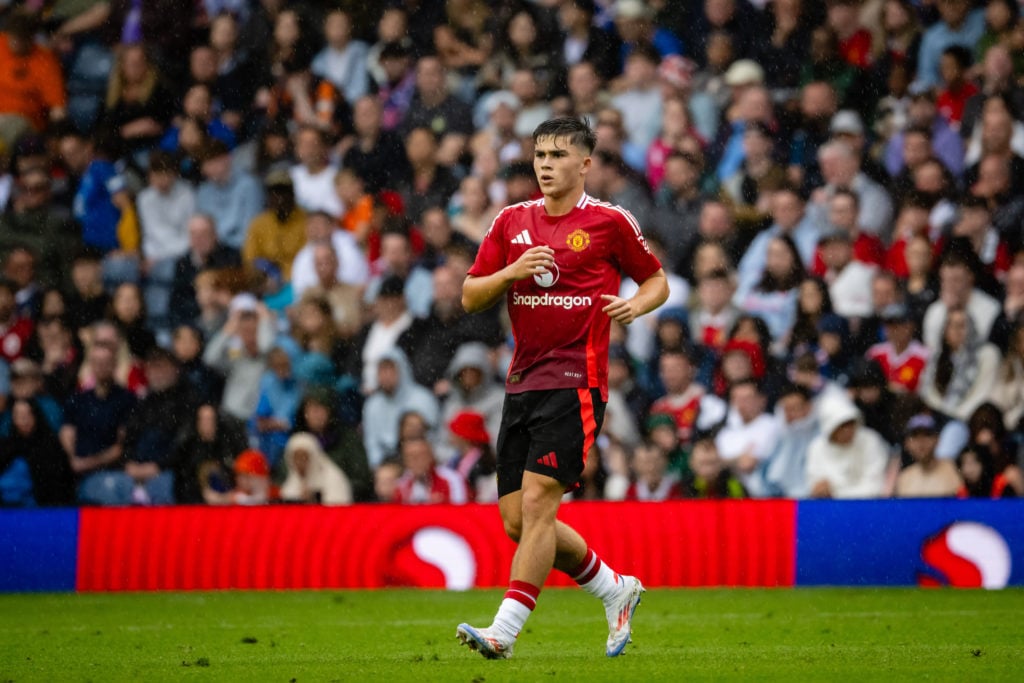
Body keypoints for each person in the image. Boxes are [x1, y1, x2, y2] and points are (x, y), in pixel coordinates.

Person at [456, 117, 668, 660]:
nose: (545, 164)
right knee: (518, 522)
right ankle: (613, 588)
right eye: (539, 155)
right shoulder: (510, 222)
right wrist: (510, 274)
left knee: (538, 504)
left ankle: (503, 632)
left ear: (584, 164)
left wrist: (635, 307)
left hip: (576, 381)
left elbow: (656, 279)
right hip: (522, 381)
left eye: (557, 155)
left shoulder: (609, 222)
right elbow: (469, 295)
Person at [895, 413, 963, 497]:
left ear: (937, 439)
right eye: (915, 436)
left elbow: (964, 504)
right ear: (906, 443)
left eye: (927, 434)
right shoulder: (904, 478)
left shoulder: (954, 469)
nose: (921, 441)